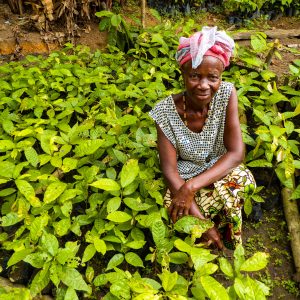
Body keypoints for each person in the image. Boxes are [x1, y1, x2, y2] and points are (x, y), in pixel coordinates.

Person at [149, 26, 256, 250]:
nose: (204, 85)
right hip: (183, 175)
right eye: (195, 76)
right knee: (175, 208)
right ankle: (207, 235)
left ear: (221, 77)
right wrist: (201, 220)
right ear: (183, 75)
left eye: (212, 77)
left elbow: (236, 153)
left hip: (218, 169)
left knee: (242, 181)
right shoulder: (165, 112)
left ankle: (224, 233)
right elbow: (169, 171)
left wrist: (191, 188)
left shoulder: (227, 94)